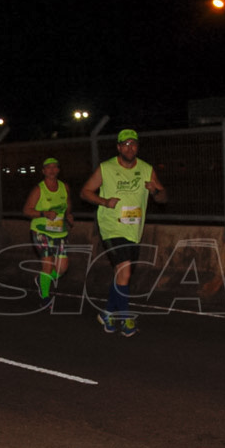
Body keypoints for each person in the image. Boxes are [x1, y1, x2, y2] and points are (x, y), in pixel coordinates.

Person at [80, 129, 167, 336]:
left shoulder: (146, 169)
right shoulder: (106, 168)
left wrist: (155, 191)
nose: (130, 148)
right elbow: (85, 192)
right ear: (119, 147)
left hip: (134, 229)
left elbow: (163, 198)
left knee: (122, 274)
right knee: (125, 271)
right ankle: (125, 318)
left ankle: (108, 312)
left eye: (133, 144)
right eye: (125, 144)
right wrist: (104, 202)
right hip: (111, 227)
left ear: (137, 146)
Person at [22, 157, 73, 304]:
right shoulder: (39, 189)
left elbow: (67, 206)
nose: (52, 170)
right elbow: (26, 210)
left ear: (58, 169)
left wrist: (68, 215)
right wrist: (44, 213)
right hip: (41, 231)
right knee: (48, 264)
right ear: (43, 171)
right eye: (48, 167)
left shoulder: (64, 187)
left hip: (60, 231)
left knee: (62, 268)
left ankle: (41, 279)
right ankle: (45, 297)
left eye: (55, 167)